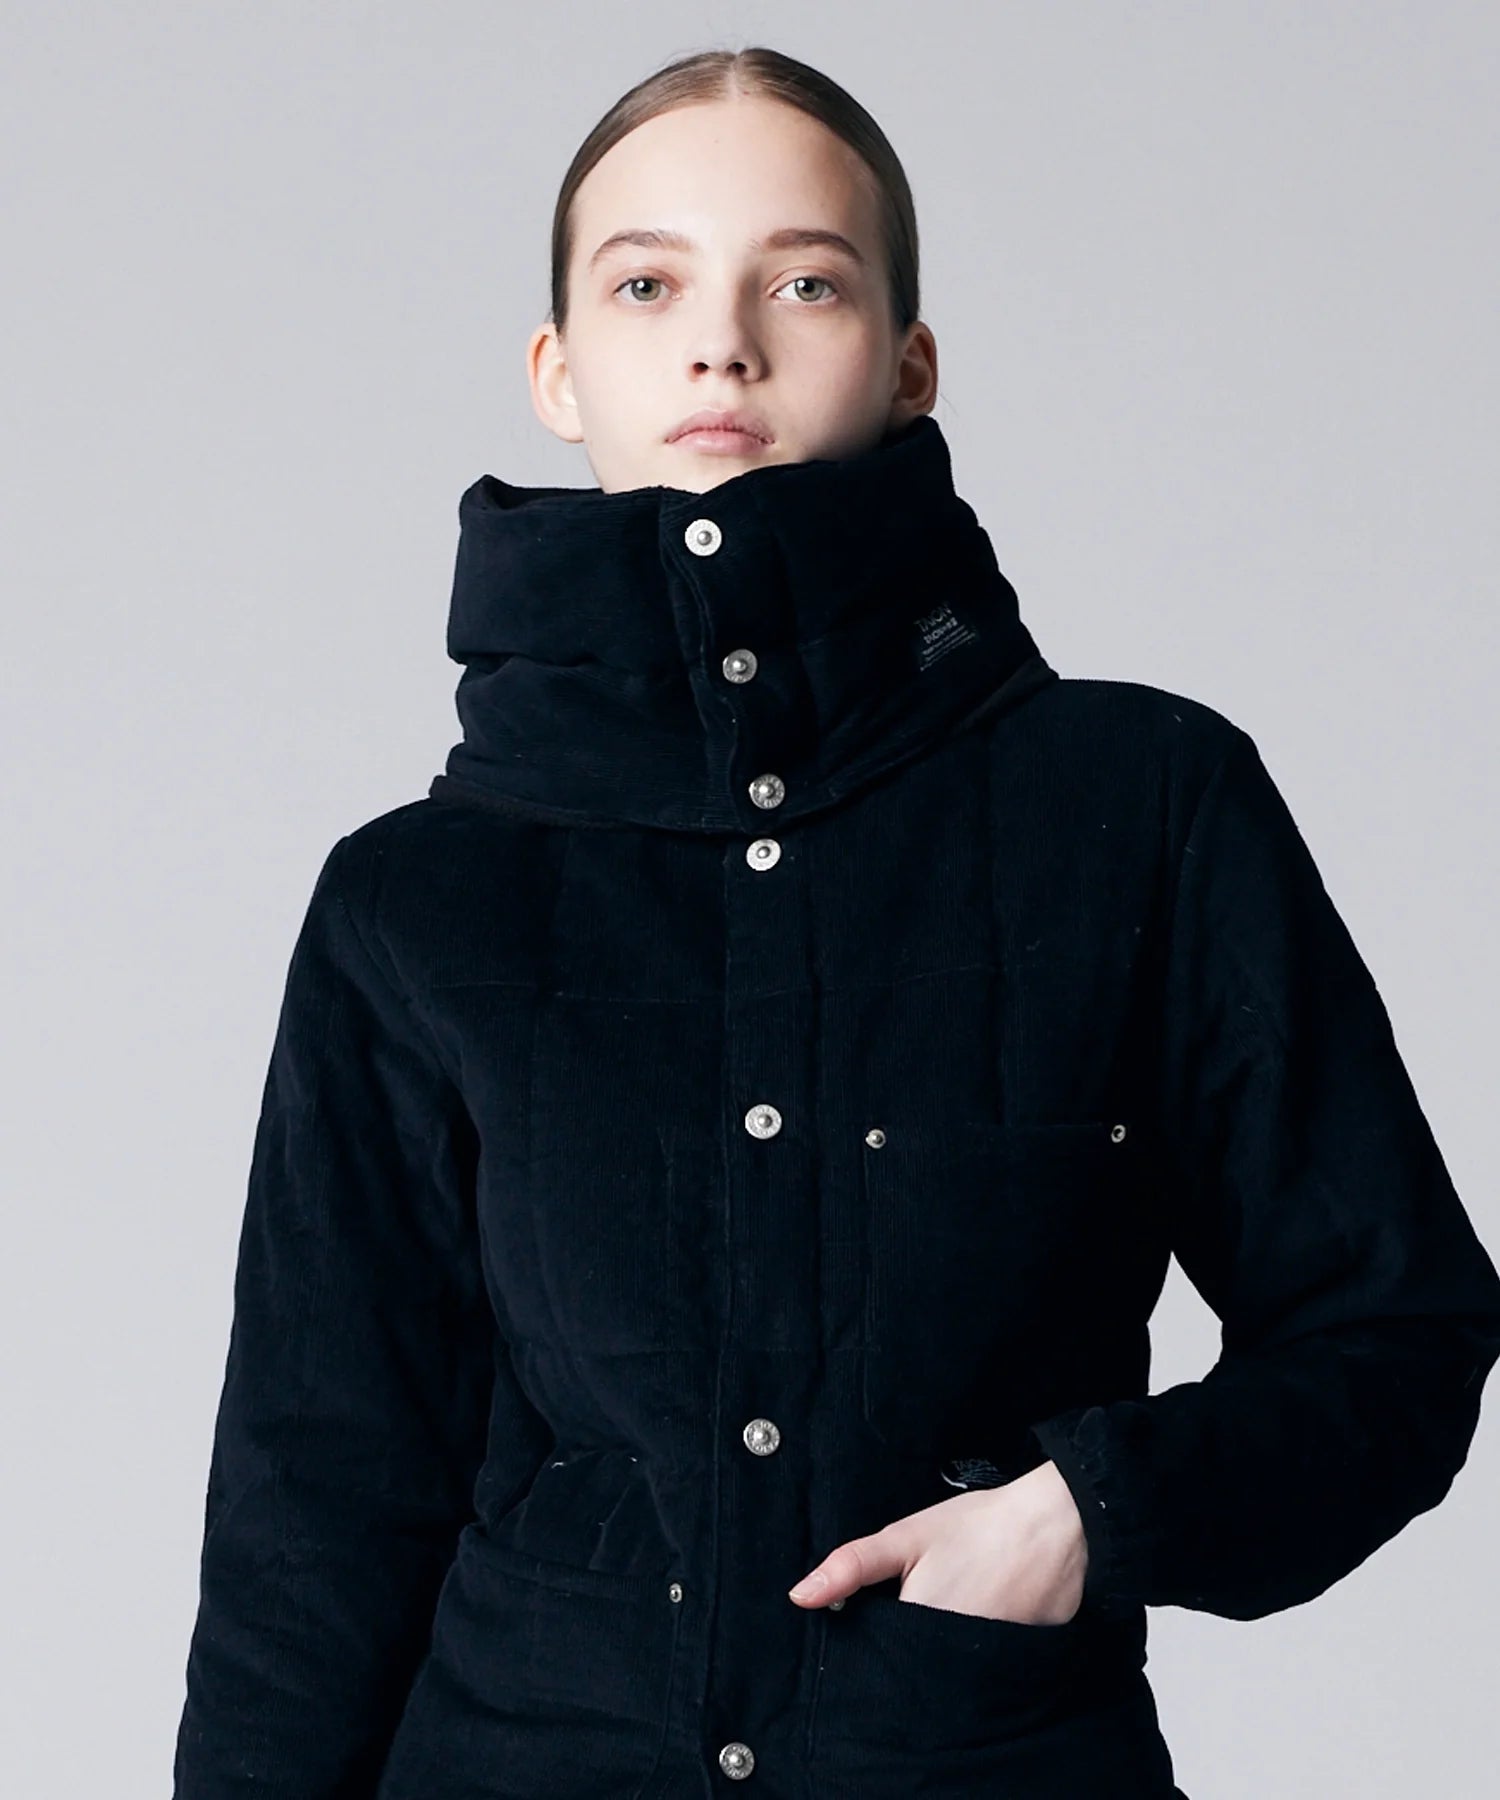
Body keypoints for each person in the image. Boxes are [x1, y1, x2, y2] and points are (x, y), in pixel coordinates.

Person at [171, 43, 1500, 1800]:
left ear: (909, 359)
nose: (722, 344)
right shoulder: (414, 902)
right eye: (647, 286)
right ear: (559, 371)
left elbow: (1393, 1333)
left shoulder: (1145, 807)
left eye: (804, 281)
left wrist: (1088, 1514)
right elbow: (317, 1507)